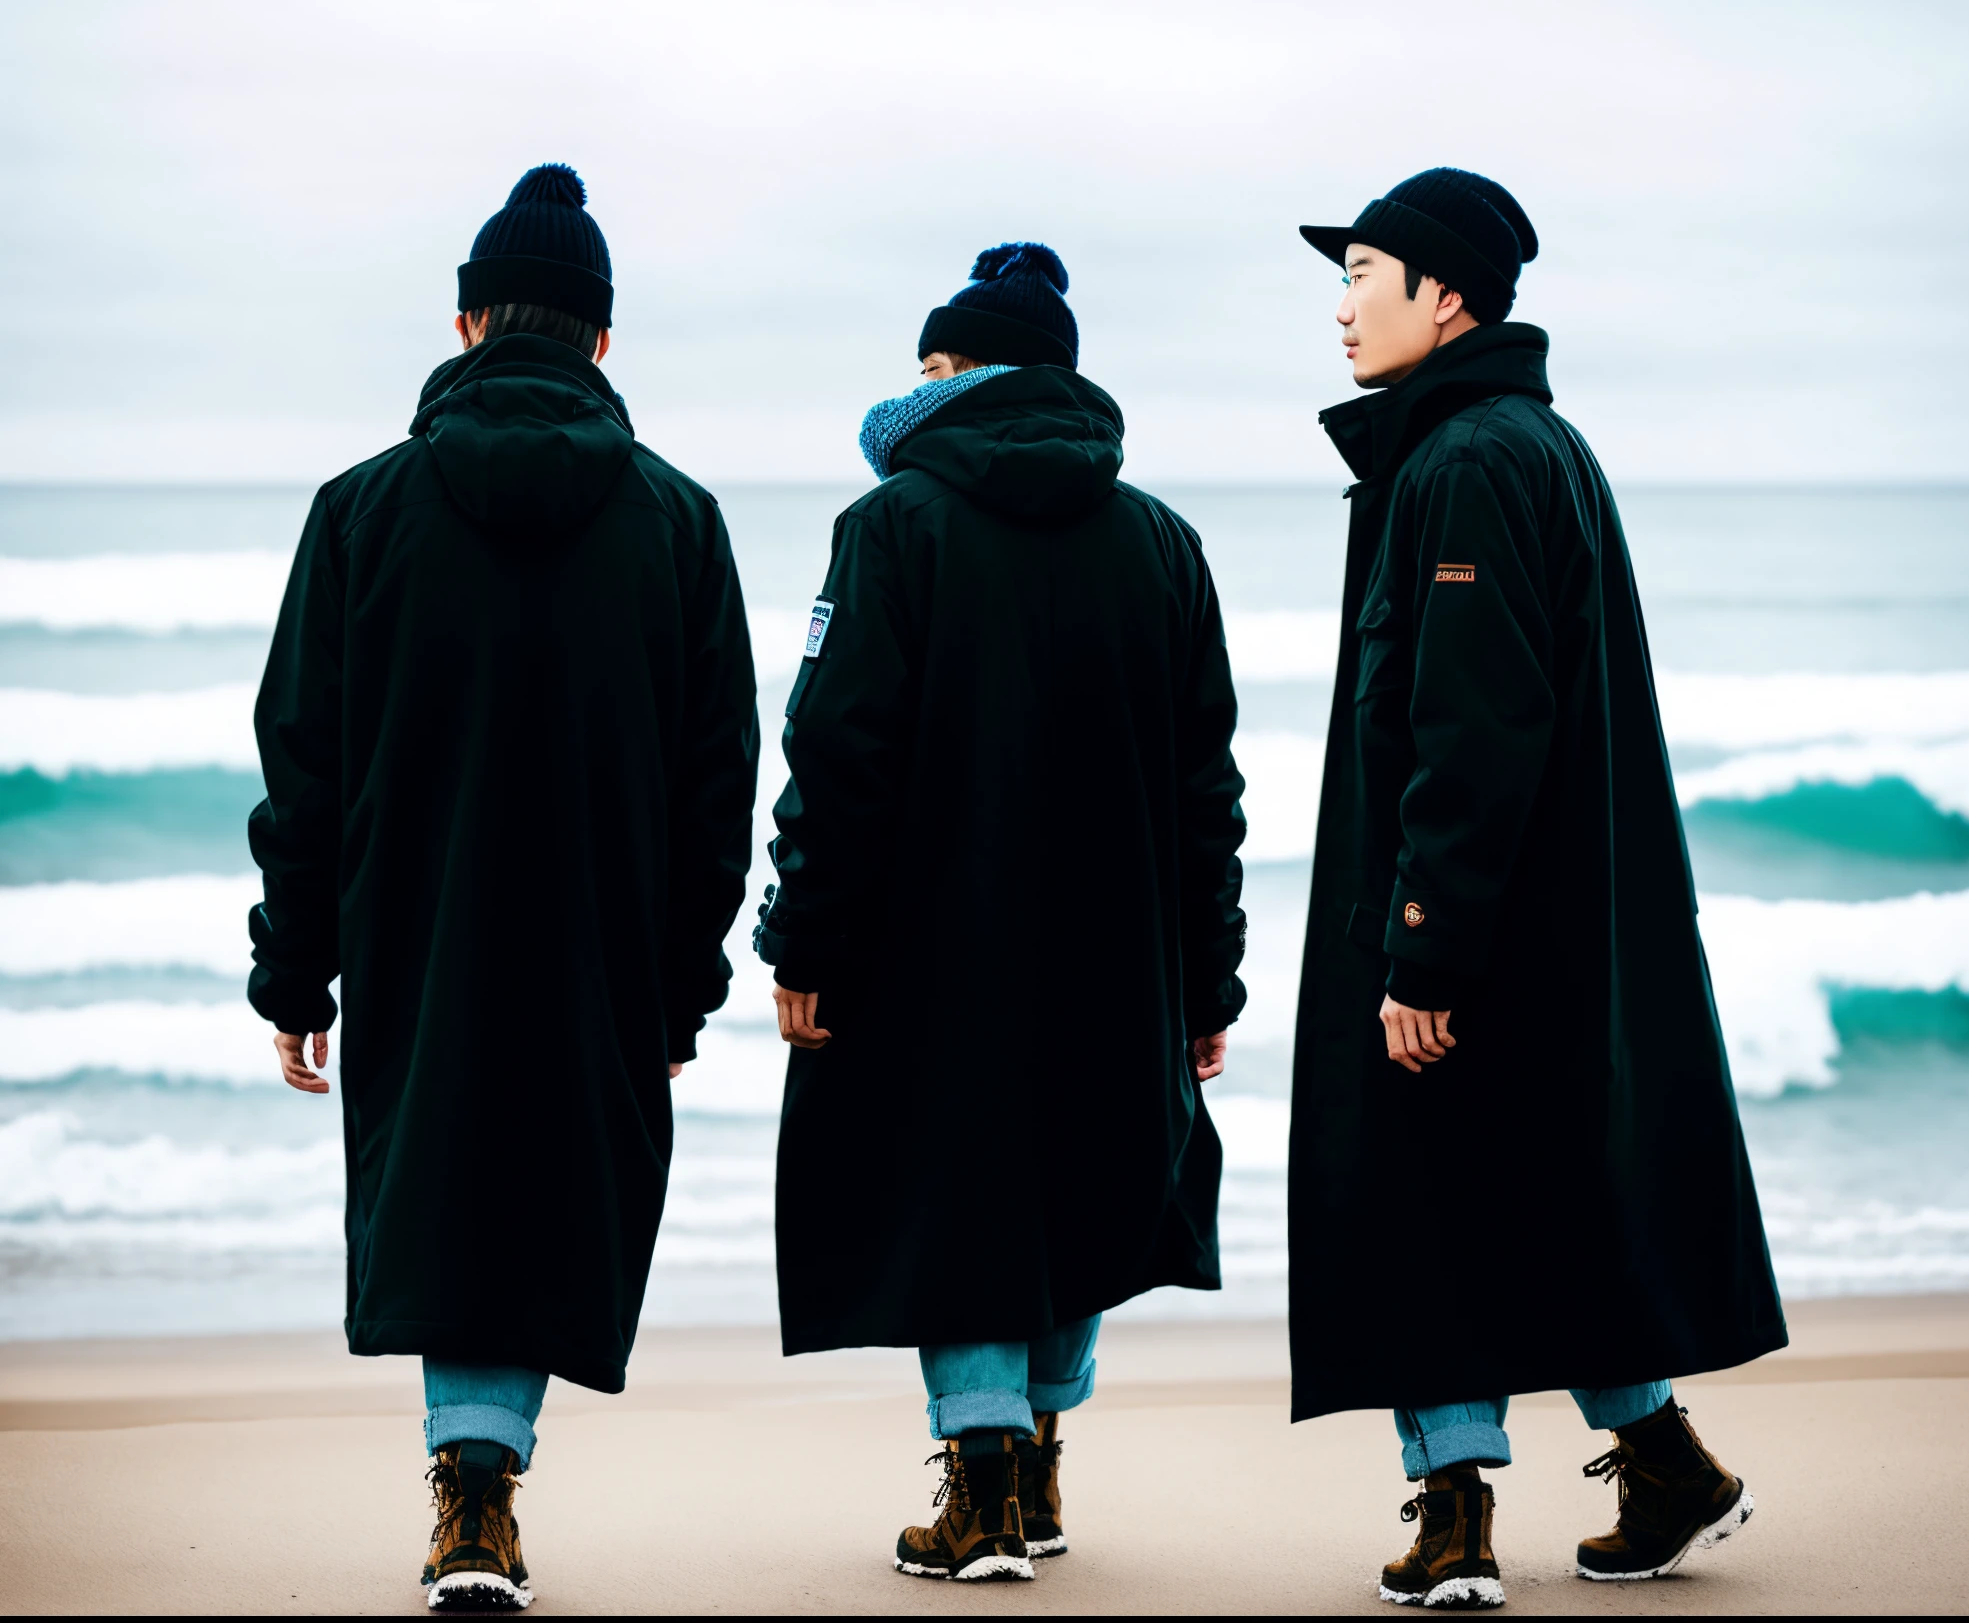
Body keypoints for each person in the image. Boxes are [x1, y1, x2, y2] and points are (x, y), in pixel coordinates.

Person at [247, 164, 759, 1612]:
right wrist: (681, 981)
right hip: (600, 938)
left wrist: (298, 969)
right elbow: (716, 776)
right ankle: (491, 1478)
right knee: (547, 1194)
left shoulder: (360, 511)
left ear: (466, 325)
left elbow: (305, 764)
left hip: (420, 924)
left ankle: (468, 1488)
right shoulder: (678, 520)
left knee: (448, 1187)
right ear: (603, 342)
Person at [1288, 169, 1786, 1608]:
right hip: (1544, 921)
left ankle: (1454, 1522)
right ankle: (1663, 1463)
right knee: (1527, 1195)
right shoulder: (1520, 445)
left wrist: (1425, 949)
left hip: (1477, 922)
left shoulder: (1463, 465)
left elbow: (1474, 725)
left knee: (1418, 1197)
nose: (1341, 306)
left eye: (1364, 274)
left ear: (1445, 295)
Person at [753, 243, 1249, 1582]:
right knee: (1086, 1182)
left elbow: (835, 754)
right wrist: (1209, 980)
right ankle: (1031, 1463)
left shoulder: (891, 527)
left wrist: (802, 943)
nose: (911, 392)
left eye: (928, 368)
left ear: (967, 376)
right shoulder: (1160, 542)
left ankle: (979, 1485)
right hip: (1117, 951)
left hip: (932, 949)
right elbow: (1208, 786)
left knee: (952, 1186)